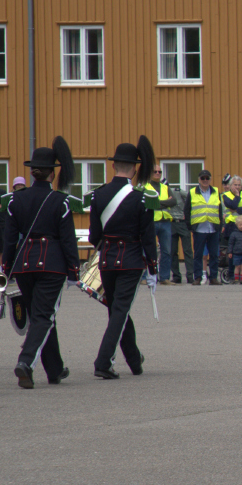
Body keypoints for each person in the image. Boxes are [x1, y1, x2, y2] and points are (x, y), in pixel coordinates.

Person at [3, 138, 79, 388]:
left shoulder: (16, 200)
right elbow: (68, 240)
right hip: (52, 264)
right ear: (52, 172)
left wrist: (7, 267)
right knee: (44, 316)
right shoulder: (60, 200)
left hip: (24, 264)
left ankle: (55, 369)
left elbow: (9, 239)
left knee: (41, 315)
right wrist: (74, 270)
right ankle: (26, 362)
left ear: (33, 172)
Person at [87, 135, 158, 379]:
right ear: (135, 168)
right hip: (131, 260)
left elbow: (94, 236)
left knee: (117, 310)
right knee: (119, 311)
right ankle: (103, 361)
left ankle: (134, 360)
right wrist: (153, 266)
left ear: (114, 165)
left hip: (107, 259)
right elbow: (147, 237)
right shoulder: (141, 197)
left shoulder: (98, 195)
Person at [186, 167, 223, 284]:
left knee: (214, 255)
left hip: (213, 228)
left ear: (210, 179)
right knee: (198, 254)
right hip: (199, 228)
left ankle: (213, 278)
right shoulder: (192, 192)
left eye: (207, 178)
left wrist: (220, 225)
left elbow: (220, 210)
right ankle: (197, 277)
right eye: (203, 178)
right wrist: (190, 226)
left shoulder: (216, 192)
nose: (205, 180)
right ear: (199, 180)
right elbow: (187, 210)